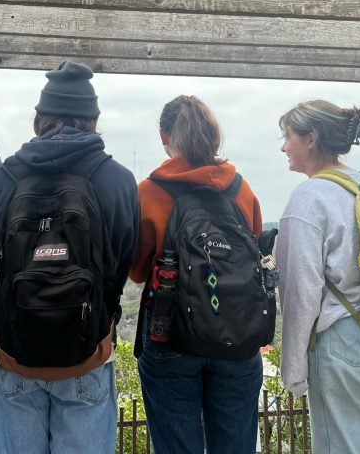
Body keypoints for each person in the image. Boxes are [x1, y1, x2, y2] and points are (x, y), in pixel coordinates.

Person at [0, 60, 138, 454]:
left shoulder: (8, 175)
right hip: (87, 352)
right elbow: (122, 260)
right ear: (93, 118)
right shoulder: (116, 178)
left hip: (14, 352)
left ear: (40, 116)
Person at [276, 100, 360, 454]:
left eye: (287, 136)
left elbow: (301, 293)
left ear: (310, 139)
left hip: (346, 349)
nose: (283, 146)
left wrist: (293, 370)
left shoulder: (309, 197)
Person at [129, 95, 264, 454]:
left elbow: (139, 272)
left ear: (164, 136)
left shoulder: (149, 192)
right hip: (237, 335)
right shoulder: (240, 188)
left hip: (170, 334)